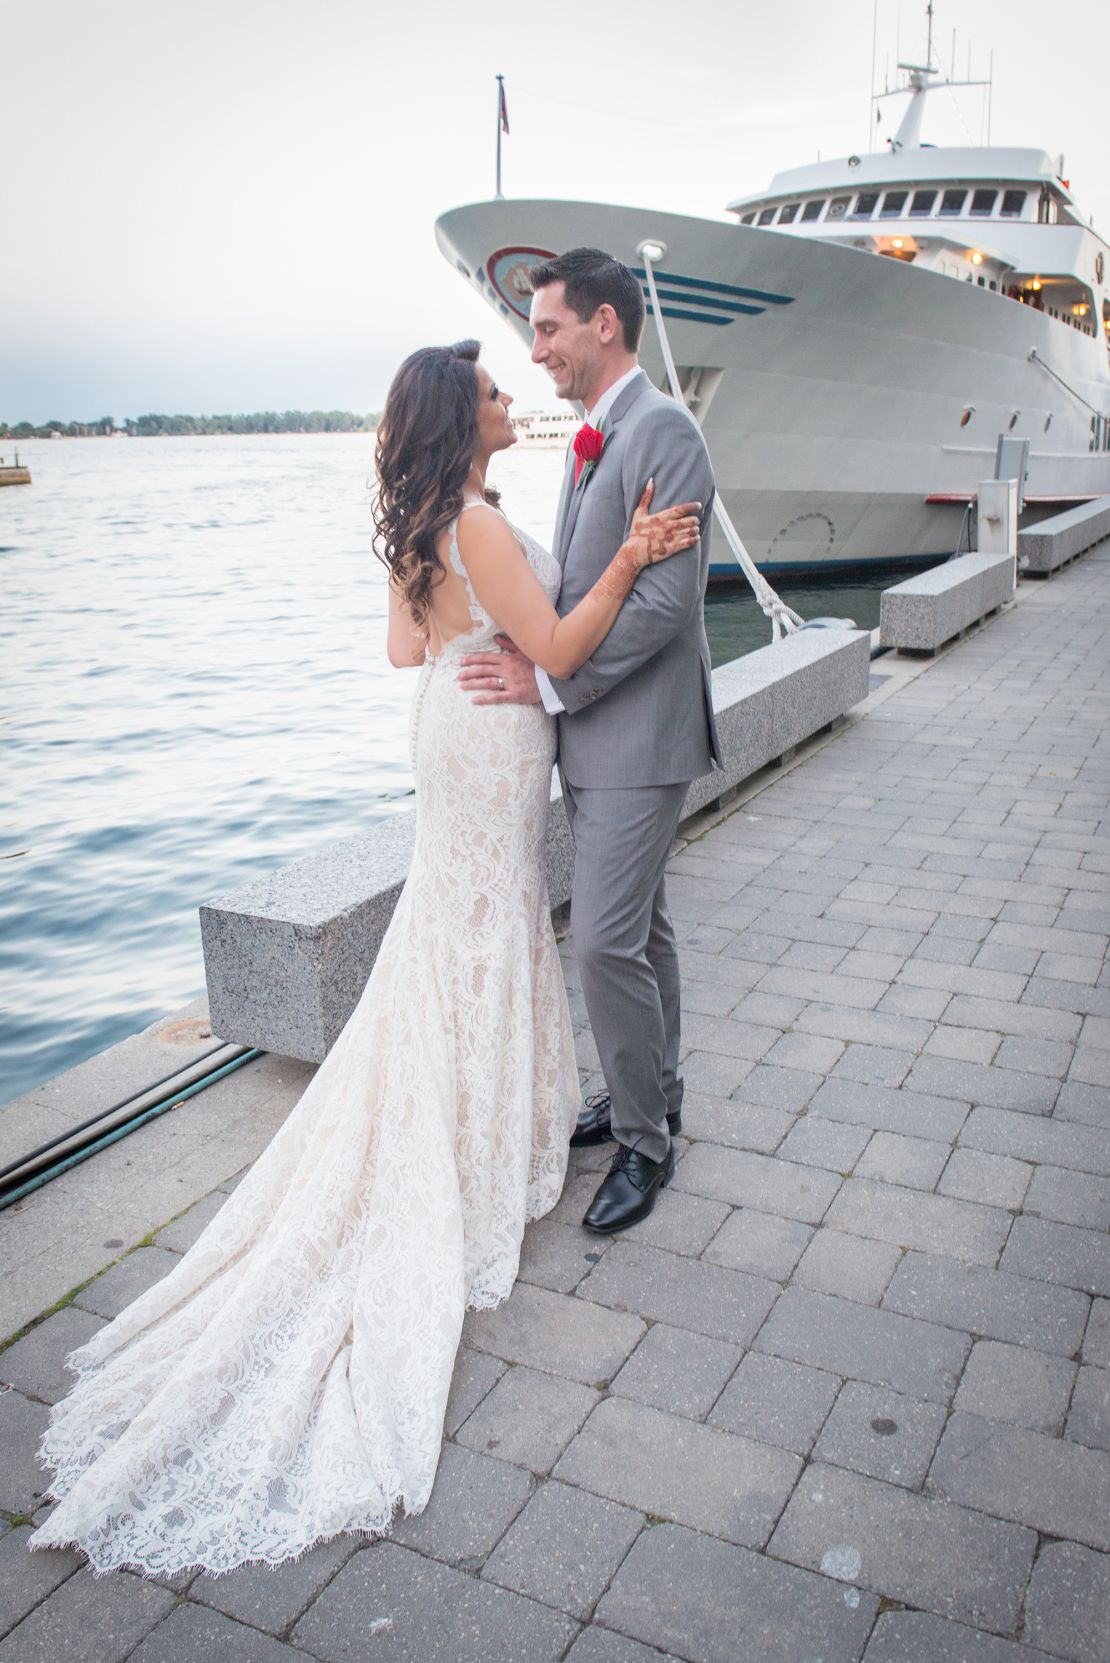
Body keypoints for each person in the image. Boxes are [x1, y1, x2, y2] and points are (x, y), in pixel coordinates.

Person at [27, 338, 700, 1577]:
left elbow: (407, 652)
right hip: (495, 739)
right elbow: (554, 652)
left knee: (451, 929)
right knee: (485, 929)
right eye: (495, 391)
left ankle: (472, 1106)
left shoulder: (426, 519)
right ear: (466, 416)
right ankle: (479, 1129)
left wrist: (465, 641)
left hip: (447, 723)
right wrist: (627, 558)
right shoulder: (480, 523)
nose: (511, 400)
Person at [459, 247, 721, 1235]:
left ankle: (647, 1145)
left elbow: (666, 603)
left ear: (604, 324)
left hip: (641, 738)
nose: (538, 351)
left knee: (606, 943)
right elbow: (582, 585)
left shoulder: (664, 432)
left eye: (549, 328)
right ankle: (650, 1088)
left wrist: (553, 675)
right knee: (644, 930)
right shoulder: (597, 435)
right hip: (602, 737)